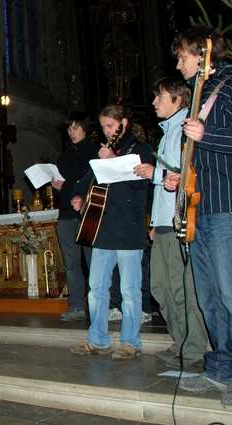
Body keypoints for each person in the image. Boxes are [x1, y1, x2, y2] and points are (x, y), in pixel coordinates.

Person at [164, 26, 232, 406]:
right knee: (208, 296)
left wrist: (207, 135)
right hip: (200, 205)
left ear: (201, 53)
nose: (178, 64)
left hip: (228, 205)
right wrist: (182, 174)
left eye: (181, 56)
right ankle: (220, 367)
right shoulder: (198, 94)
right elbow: (201, 150)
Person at [133, 76, 208, 368]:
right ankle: (180, 342)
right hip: (163, 222)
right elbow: (166, 182)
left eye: (160, 97)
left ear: (177, 100)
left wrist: (156, 174)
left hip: (180, 221)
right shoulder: (167, 134)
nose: (154, 102)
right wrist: (154, 221)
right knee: (159, 288)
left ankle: (193, 348)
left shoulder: (185, 131)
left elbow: (185, 176)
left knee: (179, 289)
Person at [69, 105, 155, 360]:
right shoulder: (105, 151)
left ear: (124, 123)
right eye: (103, 126)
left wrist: (113, 162)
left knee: (129, 290)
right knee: (96, 288)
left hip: (129, 228)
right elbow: (89, 178)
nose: (106, 131)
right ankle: (98, 340)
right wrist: (79, 196)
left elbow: (142, 186)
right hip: (103, 229)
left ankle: (131, 342)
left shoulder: (140, 149)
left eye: (110, 126)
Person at [52, 112, 98, 321]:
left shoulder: (96, 152)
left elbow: (97, 183)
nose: (72, 132)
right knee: (71, 263)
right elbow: (63, 184)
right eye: (69, 129)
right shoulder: (64, 155)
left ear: (85, 129)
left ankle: (98, 305)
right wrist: (56, 186)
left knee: (92, 261)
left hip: (88, 212)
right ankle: (77, 306)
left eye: (76, 128)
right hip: (66, 214)